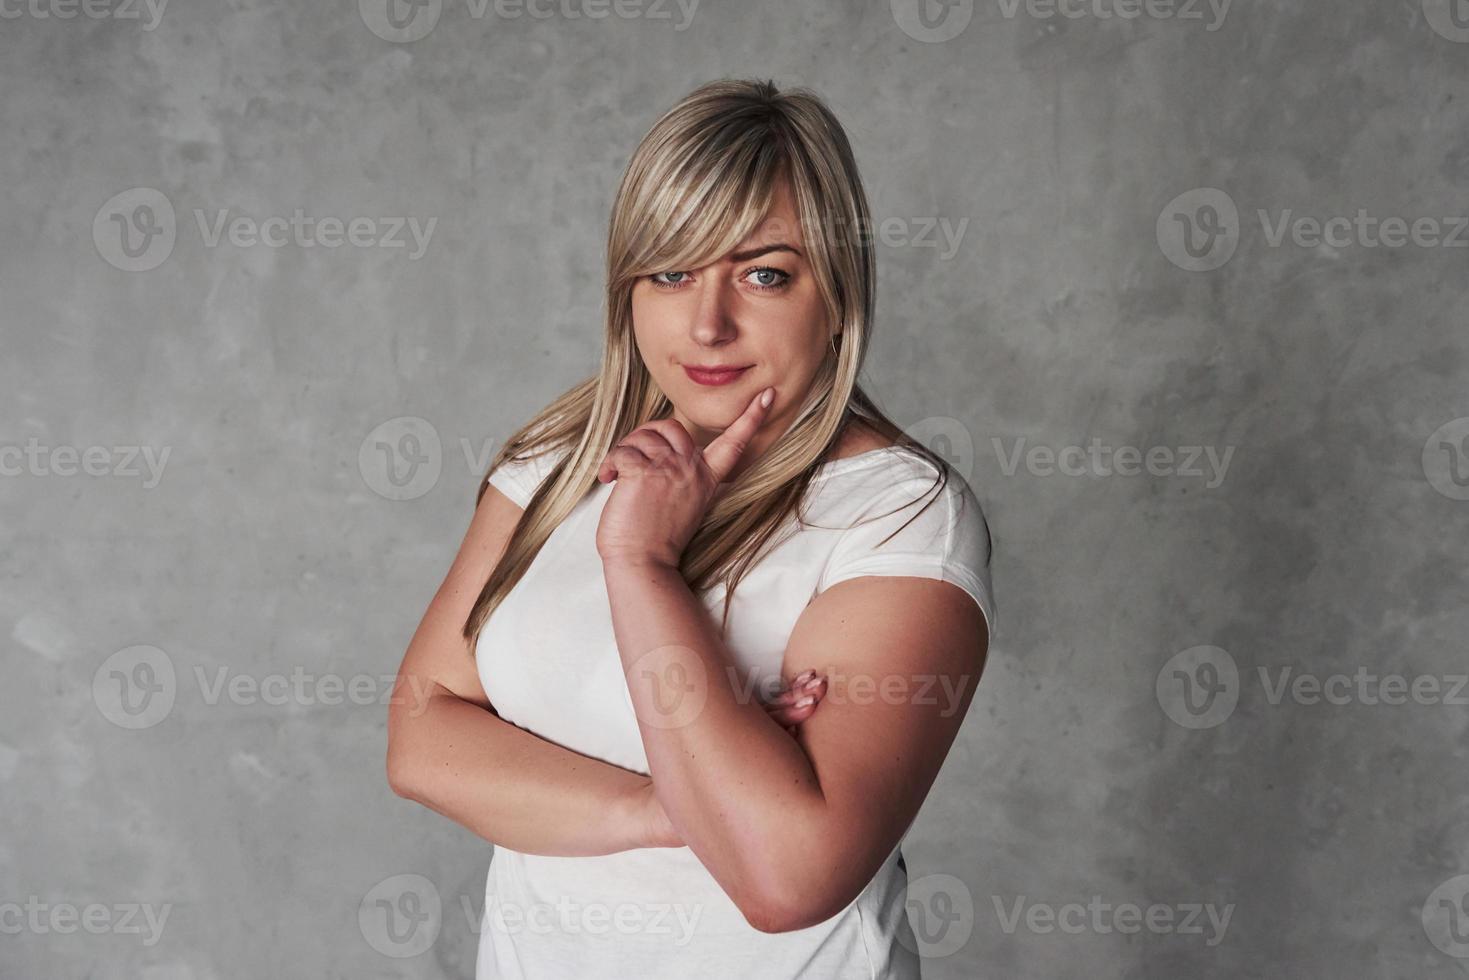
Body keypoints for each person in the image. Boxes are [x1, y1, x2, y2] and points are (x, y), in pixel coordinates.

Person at [386, 77, 996, 979]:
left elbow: (785, 876)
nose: (708, 324)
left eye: (764, 274)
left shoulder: (900, 517)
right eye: (671, 272)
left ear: (837, 292)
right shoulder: (555, 465)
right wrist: (670, 806)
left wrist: (640, 562)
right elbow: (421, 739)